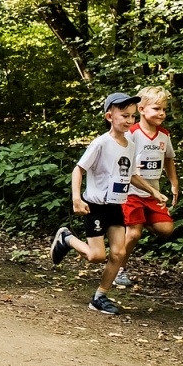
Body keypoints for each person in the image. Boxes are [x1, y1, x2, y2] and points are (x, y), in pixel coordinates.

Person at [49, 93, 141, 315]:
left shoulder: (130, 145)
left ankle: (100, 296)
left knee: (118, 254)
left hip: (116, 206)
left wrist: (154, 191)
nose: (129, 120)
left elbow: (131, 175)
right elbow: (78, 169)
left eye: (133, 116)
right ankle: (67, 238)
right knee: (96, 256)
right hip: (95, 206)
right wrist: (76, 198)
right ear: (110, 116)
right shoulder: (101, 142)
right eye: (124, 115)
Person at [115, 85, 179, 289]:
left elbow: (169, 159)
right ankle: (118, 269)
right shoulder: (132, 133)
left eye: (164, 109)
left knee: (166, 229)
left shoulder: (163, 135)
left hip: (153, 193)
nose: (161, 113)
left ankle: (141, 221)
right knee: (134, 233)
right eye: (156, 109)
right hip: (131, 191)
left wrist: (174, 183)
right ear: (141, 110)